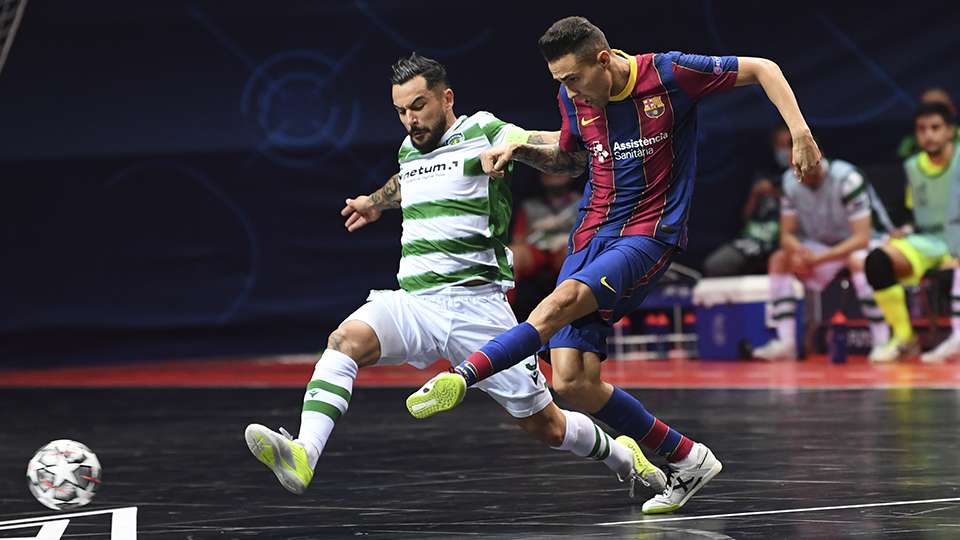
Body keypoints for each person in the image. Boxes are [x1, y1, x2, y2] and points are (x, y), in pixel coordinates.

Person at [405, 16, 821, 515]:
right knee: (571, 381)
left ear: (604, 61)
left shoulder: (669, 74)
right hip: (591, 232)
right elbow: (571, 158)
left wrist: (800, 132)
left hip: (648, 233)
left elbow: (764, 68)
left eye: (574, 78)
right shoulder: (573, 97)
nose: (569, 90)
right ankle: (688, 458)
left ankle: (463, 376)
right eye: (560, 80)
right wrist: (521, 150)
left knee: (559, 303)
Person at [243, 53, 666, 498]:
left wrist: (517, 150)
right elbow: (408, 180)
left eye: (419, 106)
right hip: (414, 303)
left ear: (446, 98)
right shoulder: (410, 149)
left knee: (547, 425)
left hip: (477, 309)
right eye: (401, 111)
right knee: (344, 341)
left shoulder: (484, 130)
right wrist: (374, 201)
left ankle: (624, 457)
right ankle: (304, 453)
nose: (411, 120)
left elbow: (569, 157)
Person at [750, 147, 894, 361]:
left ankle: (883, 340)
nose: (799, 169)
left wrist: (817, 259)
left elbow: (862, 238)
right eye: (794, 164)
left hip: (864, 244)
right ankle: (786, 344)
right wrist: (800, 253)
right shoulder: (789, 182)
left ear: (819, 156)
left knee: (858, 262)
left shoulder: (847, 179)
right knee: (780, 259)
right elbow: (786, 235)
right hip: (822, 247)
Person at [867, 102, 960, 362]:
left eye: (935, 128)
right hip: (930, 241)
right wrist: (906, 228)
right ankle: (905, 339)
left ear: (950, 131)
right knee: (877, 260)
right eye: (922, 129)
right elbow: (916, 213)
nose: (929, 135)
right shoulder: (912, 167)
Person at [702, 123, 791, 277]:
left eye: (788, 145)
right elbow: (746, 216)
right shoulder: (764, 173)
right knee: (715, 265)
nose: (784, 150)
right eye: (780, 145)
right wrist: (755, 193)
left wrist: (782, 192)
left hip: (784, 241)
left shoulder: (804, 178)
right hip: (756, 239)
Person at [508, 171, 580, 320]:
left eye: (559, 174)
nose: (554, 178)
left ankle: (574, 319)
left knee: (574, 257)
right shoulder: (529, 206)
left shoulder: (582, 202)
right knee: (511, 255)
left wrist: (570, 239)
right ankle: (504, 318)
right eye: (549, 175)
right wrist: (535, 228)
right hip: (536, 251)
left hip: (565, 250)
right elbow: (517, 241)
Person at [896, 87, 959, 159]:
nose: (929, 135)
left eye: (940, 109)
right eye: (927, 108)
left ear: (952, 109)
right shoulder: (909, 144)